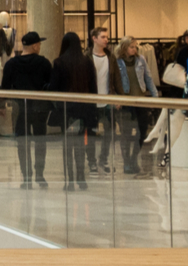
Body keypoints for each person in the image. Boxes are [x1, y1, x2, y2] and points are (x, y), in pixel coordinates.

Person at [0, 32, 53, 189]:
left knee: (22, 142)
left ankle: (26, 176)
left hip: (19, 108)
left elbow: (5, 88)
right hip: (39, 108)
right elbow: (50, 85)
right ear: (35, 46)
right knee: (40, 142)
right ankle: (40, 175)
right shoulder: (43, 63)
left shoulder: (11, 64)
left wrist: (1, 105)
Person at [50, 31, 96, 191]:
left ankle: (69, 181)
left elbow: (53, 88)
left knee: (67, 146)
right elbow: (93, 89)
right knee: (80, 145)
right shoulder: (87, 62)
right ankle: (81, 178)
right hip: (84, 109)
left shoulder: (59, 63)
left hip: (66, 110)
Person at [111, 36, 157, 175]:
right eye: (132, 46)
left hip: (140, 100)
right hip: (125, 102)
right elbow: (112, 81)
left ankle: (133, 158)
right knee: (125, 133)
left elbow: (148, 78)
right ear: (124, 47)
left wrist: (155, 98)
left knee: (142, 132)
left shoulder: (141, 59)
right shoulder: (116, 61)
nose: (134, 49)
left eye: (135, 46)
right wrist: (115, 99)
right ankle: (127, 163)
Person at [86, 26, 115, 174]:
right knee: (90, 132)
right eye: (103, 37)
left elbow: (114, 79)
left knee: (109, 132)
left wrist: (117, 97)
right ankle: (91, 161)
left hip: (107, 100)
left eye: (107, 37)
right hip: (91, 102)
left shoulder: (110, 57)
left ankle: (103, 158)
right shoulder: (86, 57)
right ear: (94, 39)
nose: (106, 40)